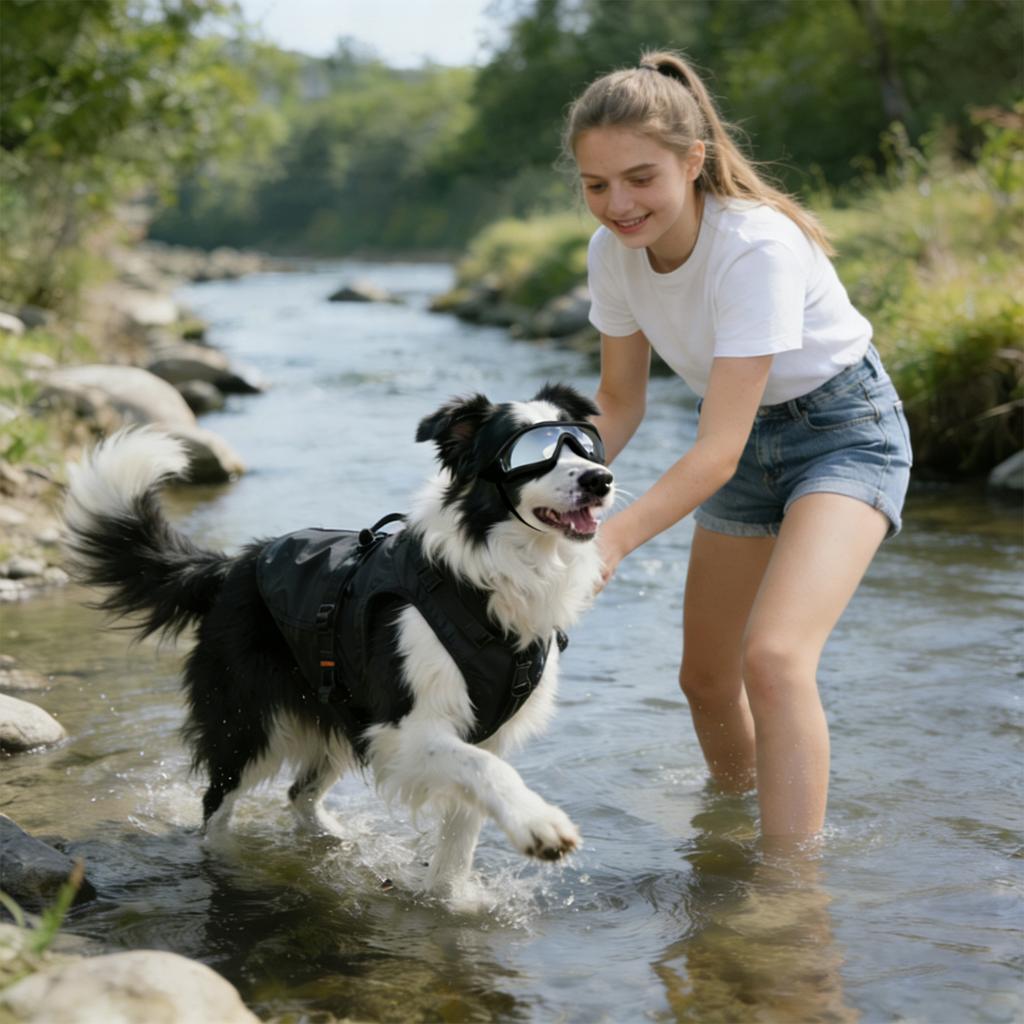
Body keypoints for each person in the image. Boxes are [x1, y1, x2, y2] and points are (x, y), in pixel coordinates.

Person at [565, 50, 912, 848]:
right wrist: (549, 480)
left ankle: (789, 886)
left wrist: (609, 541)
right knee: (706, 678)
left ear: (693, 161)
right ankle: (732, 829)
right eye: (596, 185)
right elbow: (619, 403)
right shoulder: (611, 255)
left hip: (844, 434)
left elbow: (715, 450)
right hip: (744, 440)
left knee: (776, 657)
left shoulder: (754, 245)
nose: (619, 205)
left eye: (641, 178)